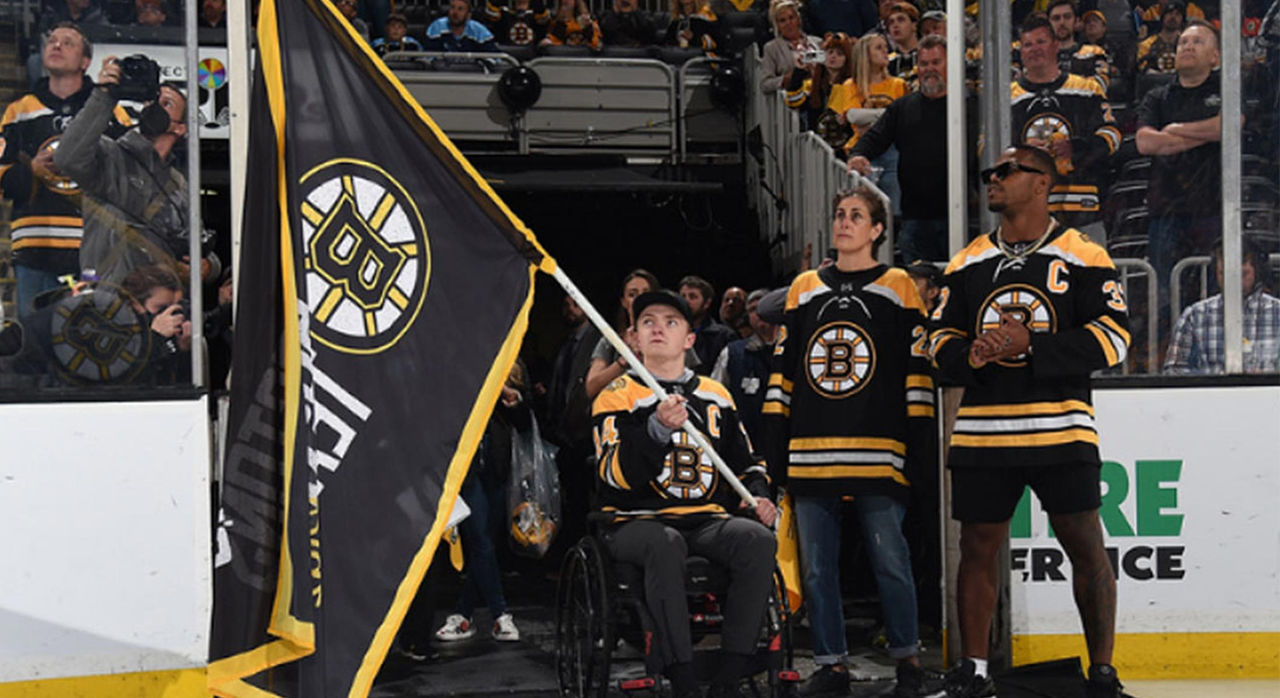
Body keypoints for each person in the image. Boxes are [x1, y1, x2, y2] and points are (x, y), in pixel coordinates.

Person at [929, 145, 1130, 698]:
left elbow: (1114, 338)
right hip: (983, 431)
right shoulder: (966, 260)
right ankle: (973, 672)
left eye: (1006, 172)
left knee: (1086, 546)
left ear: (1041, 183)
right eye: (990, 174)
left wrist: (1031, 345)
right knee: (976, 547)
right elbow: (936, 340)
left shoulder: (1084, 254)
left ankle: (1103, 674)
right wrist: (967, 355)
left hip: (1061, 427)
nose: (992, 180)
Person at [761, 186, 937, 698]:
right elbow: (783, 374)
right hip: (811, 453)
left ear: (878, 230)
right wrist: (777, 451)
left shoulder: (899, 285)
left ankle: (907, 659)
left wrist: (918, 448)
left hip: (879, 453)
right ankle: (831, 664)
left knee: (891, 561)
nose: (844, 223)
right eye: (839, 214)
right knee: (817, 569)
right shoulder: (804, 288)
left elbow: (916, 373)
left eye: (856, 216)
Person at [592, 290, 777, 698]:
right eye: (648, 322)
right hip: (637, 522)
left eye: (672, 322)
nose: (659, 327)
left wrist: (758, 496)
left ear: (689, 340)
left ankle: (731, 672)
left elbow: (746, 462)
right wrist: (655, 431)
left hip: (706, 519)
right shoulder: (616, 395)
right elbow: (613, 475)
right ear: (634, 338)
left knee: (757, 541)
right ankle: (683, 677)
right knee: (665, 542)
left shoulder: (715, 394)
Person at [2, 23, 132, 319]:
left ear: (86, 62)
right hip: (34, 248)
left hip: (92, 251)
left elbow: (129, 172)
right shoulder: (18, 111)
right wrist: (31, 170)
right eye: (52, 41)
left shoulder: (109, 110)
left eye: (68, 42)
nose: (56, 46)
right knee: (36, 348)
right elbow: (2, 178)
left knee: (83, 346)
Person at [55, 60, 217, 287]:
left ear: (181, 128)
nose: (155, 107)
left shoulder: (178, 184)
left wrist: (209, 265)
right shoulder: (110, 155)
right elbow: (66, 158)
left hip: (163, 305)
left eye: (167, 104)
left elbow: (198, 240)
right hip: (110, 299)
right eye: (153, 101)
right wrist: (104, 95)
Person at [848, 34, 971, 263]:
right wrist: (857, 155)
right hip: (915, 219)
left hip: (964, 218)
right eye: (924, 64)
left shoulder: (971, 105)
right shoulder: (902, 107)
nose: (929, 69)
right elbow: (874, 138)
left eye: (936, 62)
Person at [435, 362, 530, 644]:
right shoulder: (453, 361)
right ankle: (501, 614)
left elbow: (526, 423)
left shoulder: (512, 361)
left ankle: (463, 615)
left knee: (486, 544)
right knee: (480, 540)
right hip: (464, 465)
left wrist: (512, 398)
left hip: (499, 465)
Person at [1135, 19, 1222, 319]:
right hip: (1166, 209)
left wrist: (1174, 131)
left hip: (1213, 207)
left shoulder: (1226, 89)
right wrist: (1202, 134)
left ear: (1215, 56)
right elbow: (1146, 142)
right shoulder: (1157, 95)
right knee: (1163, 296)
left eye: (1197, 41)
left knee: (1214, 292)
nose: (1187, 46)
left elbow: (1227, 126)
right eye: (1183, 41)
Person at [1011, 13, 1120, 238]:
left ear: (1055, 45)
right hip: (1026, 211)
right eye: (1028, 44)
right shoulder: (1006, 97)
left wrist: (1077, 148)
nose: (1034, 49)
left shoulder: (1087, 89)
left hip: (1083, 208)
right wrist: (1023, 154)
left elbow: (1112, 135)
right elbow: (986, 147)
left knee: (1091, 273)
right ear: (1021, 52)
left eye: (1041, 42)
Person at [1164, 237, 1280, 375]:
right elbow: (1173, 371)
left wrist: (1266, 381)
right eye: (1224, 272)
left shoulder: (1277, 312)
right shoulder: (1194, 316)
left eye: (1243, 272)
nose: (1233, 277)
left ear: (1258, 270)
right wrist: (1215, 381)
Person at [831, 31, 906, 213]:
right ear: (866, 55)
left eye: (886, 48)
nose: (885, 52)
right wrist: (887, 115)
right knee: (865, 209)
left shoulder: (898, 84)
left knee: (893, 209)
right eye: (879, 48)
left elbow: (902, 119)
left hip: (892, 152)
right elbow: (853, 117)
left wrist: (871, 117)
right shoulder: (850, 85)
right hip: (861, 151)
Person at [585, 268, 662, 400]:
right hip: (618, 411)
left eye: (646, 293)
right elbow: (591, 387)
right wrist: (626, 359)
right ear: (624, 302)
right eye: (633, 294)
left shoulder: (673, 338)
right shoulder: (610, 341)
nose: (640, 299)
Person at [710, 287, 776, 440]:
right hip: (746, 444)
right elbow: (715, 396)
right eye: (752, 309)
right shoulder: (732, 353)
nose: (759, 313)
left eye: (763, 307)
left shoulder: (794, 349)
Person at [785, 31, 856, 150]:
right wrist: (799, 71)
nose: (833, 56)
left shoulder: (852, 86)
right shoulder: (813, 85)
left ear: (847, 59)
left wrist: (848, 119)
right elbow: (793, 102)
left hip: (843, 148)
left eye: (839, 54)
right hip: (816, 149)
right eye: (830, 52)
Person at [679, 275, 739, 374]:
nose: (686, 301)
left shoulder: (724, 336)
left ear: (706, 303)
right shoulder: (671, 333)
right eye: (683, 296)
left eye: (692, 297)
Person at [759, 0, 822, 93]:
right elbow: (765, 84)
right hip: (790, 101)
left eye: (791, 18)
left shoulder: (818, 42)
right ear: (777, 26)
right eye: (782, 20)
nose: (788, 23)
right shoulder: (771, 48)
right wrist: (786, 79)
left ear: (798, 19)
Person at [1048, 0, 1111, 91]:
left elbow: (1100, 86)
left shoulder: (1095, 52)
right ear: (1048, 23)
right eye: (1056, 18)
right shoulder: (1040, 55)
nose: (1062, 22)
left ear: (1077, 21)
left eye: (1067, 17)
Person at [427, 0, 498, 51]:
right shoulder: (437, 27)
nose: (455, 12)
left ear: (468, 16)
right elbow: (428, 56)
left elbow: (493, 58)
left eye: (460, 9)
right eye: (452, 8)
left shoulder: (479, 31)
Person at [1135, 0, 1184, 74]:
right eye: (1169, 13)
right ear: (1163, 17)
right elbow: (1140, 66)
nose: (1173, 17)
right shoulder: (1147, 44)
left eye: (1177, 14)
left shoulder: (1186, 44)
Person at [485, 0, 552, 47]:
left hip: (532, 56)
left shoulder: (536, 15)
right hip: (507, 55)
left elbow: (543, 19)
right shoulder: (504, 14)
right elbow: (491, 14)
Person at [883, 2, 919, 86]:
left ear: (914, 25)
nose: (895, 25)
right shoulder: (886, 62)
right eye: (891, 22)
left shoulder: (927, 56)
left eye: (901, 20)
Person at [801, 0, 877, 39]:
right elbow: (812, 34)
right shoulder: (813, 5)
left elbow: (872, 27)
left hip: (859, 52)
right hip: (827, 54)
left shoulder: (862, 2)